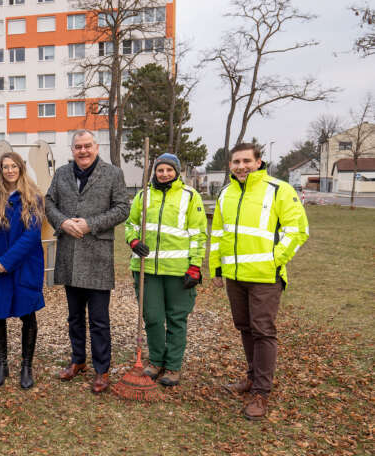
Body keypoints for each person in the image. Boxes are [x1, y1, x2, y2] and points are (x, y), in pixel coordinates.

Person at [210, 143, 309, 420]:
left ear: (258, 162)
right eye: (236, 162)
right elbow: (218, 233)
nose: (241, 166)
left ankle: (261, 394)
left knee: (263, 330)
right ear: (230, 165)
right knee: (244, 327)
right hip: (235, 276)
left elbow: (298, 230)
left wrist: (275, 260)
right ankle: (252, 378)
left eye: (246, 161)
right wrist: (217, 269)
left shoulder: (279, 190)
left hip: (265, 277)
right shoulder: (226, 193)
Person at [45, 129, 130, 393]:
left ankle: (102, 369)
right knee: (74, 317)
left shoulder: (113, 173)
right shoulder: (61, 174)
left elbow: (122, 208)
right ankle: (78, 360)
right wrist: (63, 222)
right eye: (78, 147)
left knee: (99, 319)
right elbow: (49, 203)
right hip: (70, 254)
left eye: (87, 146)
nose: (83, 151)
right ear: (72, 150)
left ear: (96, 147)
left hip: (97, 256)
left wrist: (91, 224)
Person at [125, 153, 207, 387]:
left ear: (177, 172)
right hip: (147, 268)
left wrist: (195, 266)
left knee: (176, 319)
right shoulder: (143, 195)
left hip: (178, 270)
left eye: (169, 170)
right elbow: (131, 223)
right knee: (152, 317)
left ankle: (172, 366)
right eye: (160, 170)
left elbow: (198, 234)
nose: (164, 174)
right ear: (154, 172)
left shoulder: (190, 197)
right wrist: (133, 241)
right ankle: (156, 361)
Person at [0, 151, 45, 389]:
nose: (9, 170)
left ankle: (26, 366)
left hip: (24, 266)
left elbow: (32, 235)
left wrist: (8, 260)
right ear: (0, 169)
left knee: (28, 315)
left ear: (20, 168)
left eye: (13, 166)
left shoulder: (33, 196)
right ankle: (2, 364)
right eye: (5, 166)